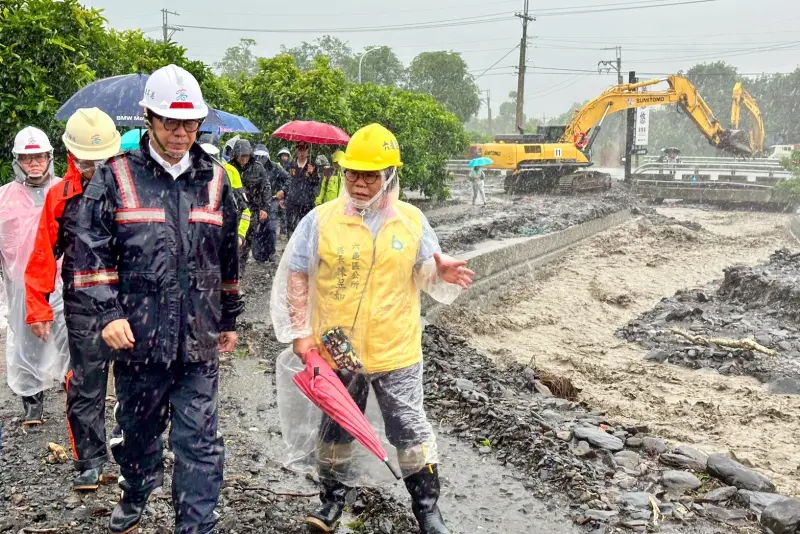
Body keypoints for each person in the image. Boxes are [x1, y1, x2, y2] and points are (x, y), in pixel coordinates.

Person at [66, 64, 243, 534]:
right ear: (148, 117)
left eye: (190, 123)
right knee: (140, 434)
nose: (182, 133)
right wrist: (107, 313)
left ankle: (196, 523)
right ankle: (136, 492)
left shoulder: (216, 179)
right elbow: (90, 252)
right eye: (171, 122)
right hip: (138, 340)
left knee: (199, 442)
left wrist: (229, 317)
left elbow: (227, 257)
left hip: (197, 342)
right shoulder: (115, 177)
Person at [271, 123, 474, 534]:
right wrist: (300, 333)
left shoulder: (412, 222)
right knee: (335, 427)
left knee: (409, 430)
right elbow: (297, 275)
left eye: (371, 175)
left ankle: (428, 510)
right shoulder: (320, 221)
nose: (360, 183)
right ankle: (330, 503)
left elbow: (427, 269)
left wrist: (441, 272)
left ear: (389, 177)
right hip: (336, 349)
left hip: (395, 350)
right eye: (353, 173)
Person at [24, 108, 121, 491]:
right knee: (86, 384)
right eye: (85, 160)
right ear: (70, 155)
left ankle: (134, 456)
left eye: (101, 161)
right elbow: (42, 253)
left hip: (131, 301)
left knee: (137, 384)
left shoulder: (130, 191)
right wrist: (37, 306)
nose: (93, 168)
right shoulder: (60, 196)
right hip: (82, 304)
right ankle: (89, 460)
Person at [0, 127, 70, 426]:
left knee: (69, 338)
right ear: (17, 161)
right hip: (21, 286)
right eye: (27, 158)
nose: (34, 163)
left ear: (49, 157)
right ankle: (32, 400)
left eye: (39, 156)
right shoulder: (4, 197)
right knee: (26, 340)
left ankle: (75, 395)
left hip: (64, 282)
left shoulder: (65, 190)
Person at [199, 138, 251, 246]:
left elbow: (244, 210)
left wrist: (240, 235)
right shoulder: (184, 176)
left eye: (211, 157)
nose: (208, 162)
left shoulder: (229, 172)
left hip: (220, 239)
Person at [230, 139, 272, 266]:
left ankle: (240, 266)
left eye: (246, 155)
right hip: (234, 208)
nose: (243, 158)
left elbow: (266, 188)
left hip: (252, 209)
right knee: (233, 237)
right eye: (241, 155)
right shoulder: (229, 168)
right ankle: (232, 264)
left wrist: (265, 208)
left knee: (247, 239)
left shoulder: (258, 168)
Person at [254, 144, 290, 260]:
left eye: (263, 157)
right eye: (258, 157)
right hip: (256, 201)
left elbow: (289, 179)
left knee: (271, 227)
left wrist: (282, 191)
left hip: (272, 200)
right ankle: (259, 253)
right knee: (257, 227)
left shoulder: (275, 167)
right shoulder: (251, 168)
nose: (260, 159)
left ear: (267, 157)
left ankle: (272, 252)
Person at [284, 141, 319, 234]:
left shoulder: (312, 166)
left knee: (306, 227)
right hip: (292, 201)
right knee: (291, 227)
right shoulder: (291, 165)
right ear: (296, 150)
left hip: (307, 202)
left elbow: (315, 183)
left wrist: (312, 174)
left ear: (308, 151)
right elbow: (286, 182)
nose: (302, 153)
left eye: (304, 150)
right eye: (300, 150)